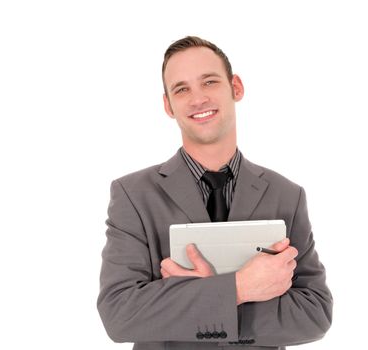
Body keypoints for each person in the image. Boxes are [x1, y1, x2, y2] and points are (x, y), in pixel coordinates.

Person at [97, 36, 333, 350]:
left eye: (209, 82)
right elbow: (120, 313)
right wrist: (240, 288)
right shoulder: (133, 195)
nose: (198, 99)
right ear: (169, 105)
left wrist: (196, 300)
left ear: (235, 88)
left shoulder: (286, 195)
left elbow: (314, 313)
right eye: (182, 89)